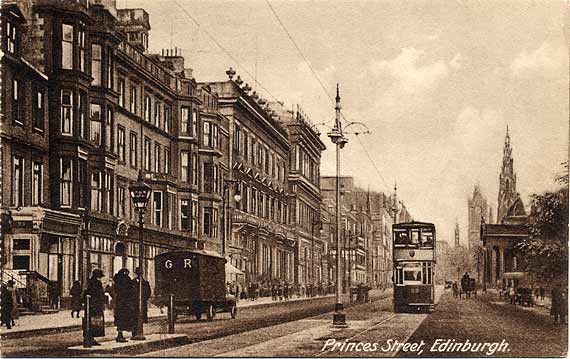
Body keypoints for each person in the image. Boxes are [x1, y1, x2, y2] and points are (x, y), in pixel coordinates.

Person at [83, 269, 106, 346]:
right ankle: (90, 338)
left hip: (93, 306)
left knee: (92, 322)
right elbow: (97, 294)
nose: (100, 278)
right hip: (95, 306)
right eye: (100, 277)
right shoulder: (95, 283)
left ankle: (90, 338)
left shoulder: (91, 282)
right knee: (93, 322)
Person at [113, 268, 136, 342]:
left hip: (119, 303)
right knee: (127, 318)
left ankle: (120, 335)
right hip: (126, 303)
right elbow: (131, 290)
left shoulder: (117, 280)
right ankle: (122, 336)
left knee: (120, 320)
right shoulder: (126, 280)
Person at [133, 267, 151, 337]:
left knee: (140, 318)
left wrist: (143, 298)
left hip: (142, 303)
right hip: (134, 303)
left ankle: (139, 333)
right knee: (135, 318)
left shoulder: (145, 283)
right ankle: (135, 333)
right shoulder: (133, 282)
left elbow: (148, 292)